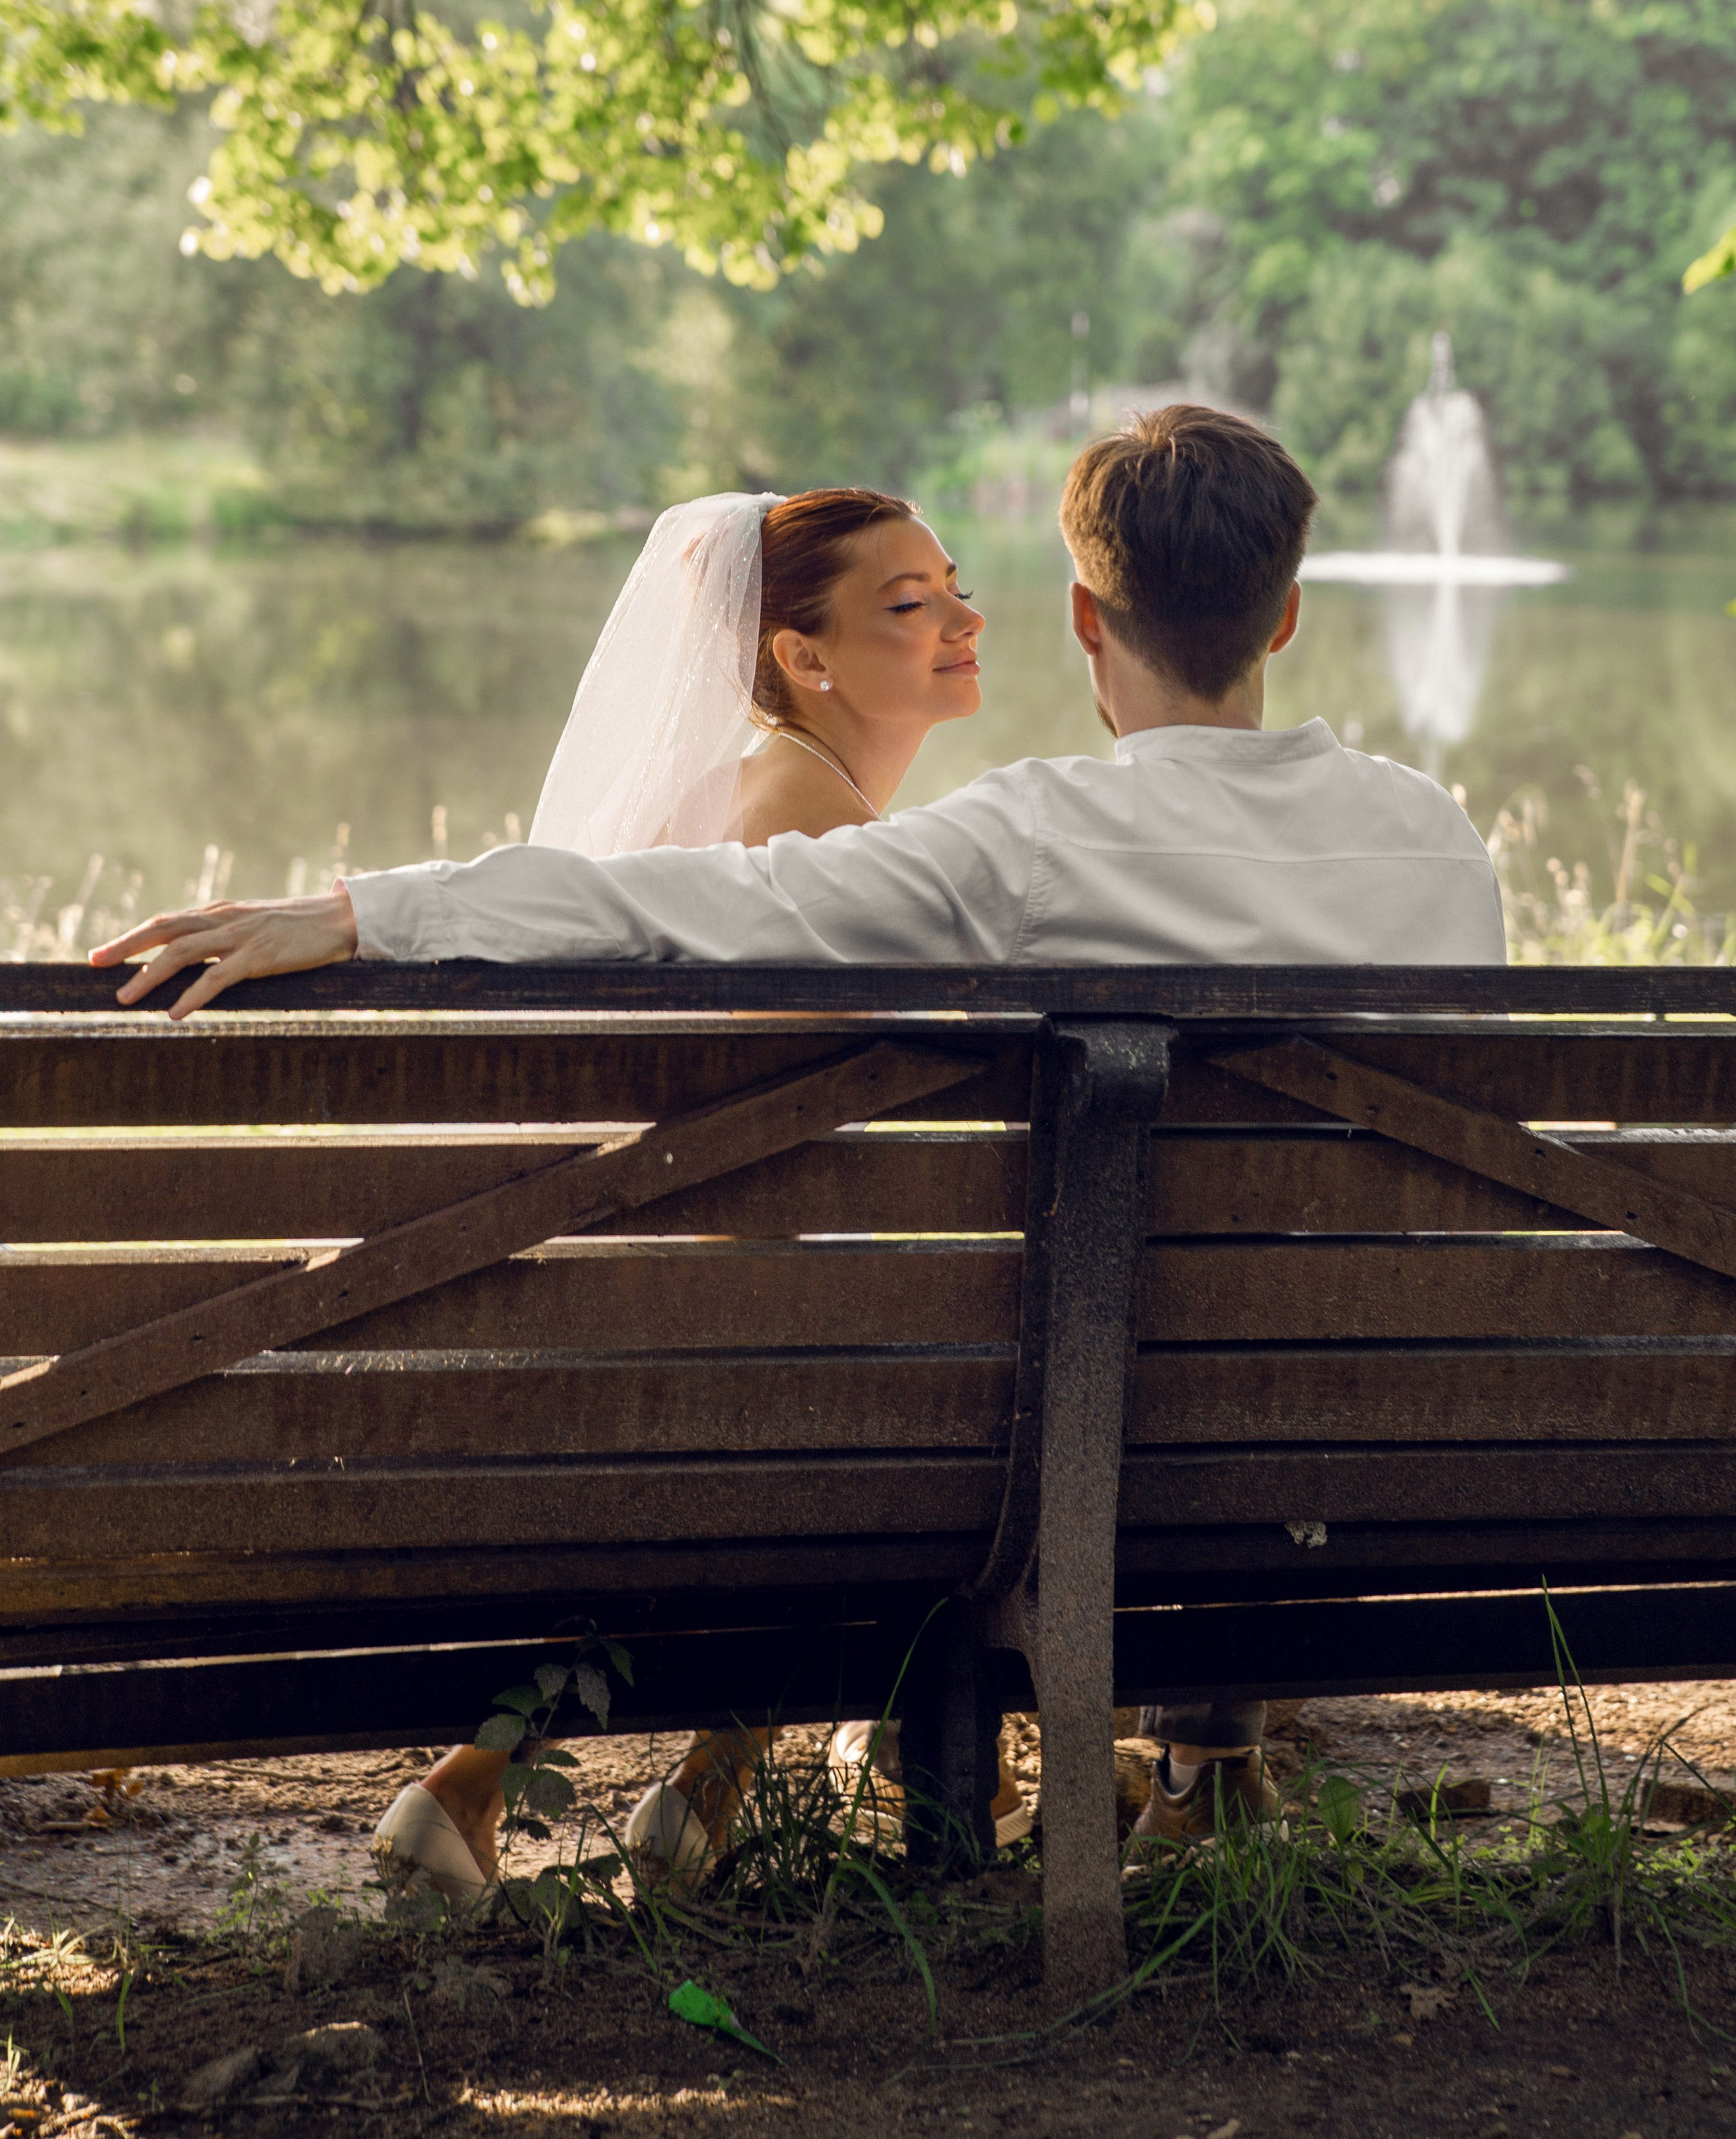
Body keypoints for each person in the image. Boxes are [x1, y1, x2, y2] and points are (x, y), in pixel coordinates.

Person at [92, 405, 1507, 1864]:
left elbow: (676, 902)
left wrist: (360, 912)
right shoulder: (1433, 841)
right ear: (1284, 613)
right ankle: (1208, 1766)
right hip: (1375, 1439)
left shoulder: (1018, 844)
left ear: (1085, 619)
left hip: (1072, 1450)